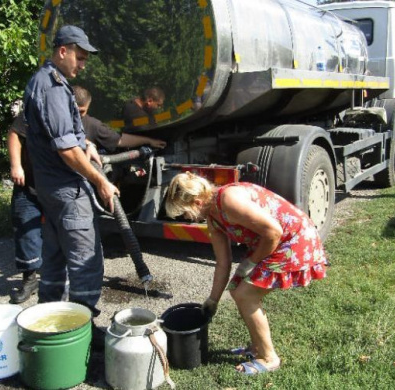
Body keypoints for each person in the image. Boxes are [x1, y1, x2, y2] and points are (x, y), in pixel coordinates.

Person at [164, 172, 329, 375]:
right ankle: (257, 347)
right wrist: (213, 300)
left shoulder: (229, 199)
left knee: (246, 296)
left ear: (197, 203)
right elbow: (222, 262)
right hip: (273, 242)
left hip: (294, 240)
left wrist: (251, 262)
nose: (185, 218)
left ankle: (269, 358)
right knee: (236, 290)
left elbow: (274, 231)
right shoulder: (213, 219)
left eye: (184, 213)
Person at [23, 25, 118, 345]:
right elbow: (65, 150)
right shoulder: (51, 87)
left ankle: (47, 323)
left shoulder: (48, 82)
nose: (83, 65)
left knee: (54, 257)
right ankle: (82, 334)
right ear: (62, 51)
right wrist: (101, 180)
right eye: (79, 57)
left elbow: (63, 136)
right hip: (67, 189)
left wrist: (86, 143)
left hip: (50, 189)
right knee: (85, 260)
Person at [5, 101, 42, 304]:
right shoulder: (32, 114)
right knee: (26, 231)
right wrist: (16, 165)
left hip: (57, 187)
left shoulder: (71, 115)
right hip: (28, 184)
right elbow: (14, 134)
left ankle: (61, 281)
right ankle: (29, 280)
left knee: (64, 234)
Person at [74, 86, 167, 152]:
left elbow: (119, 140)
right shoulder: (133, 113)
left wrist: (149, 141)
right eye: (158, 105)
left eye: (81, 112)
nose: (75, 115)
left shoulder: (93, 125)